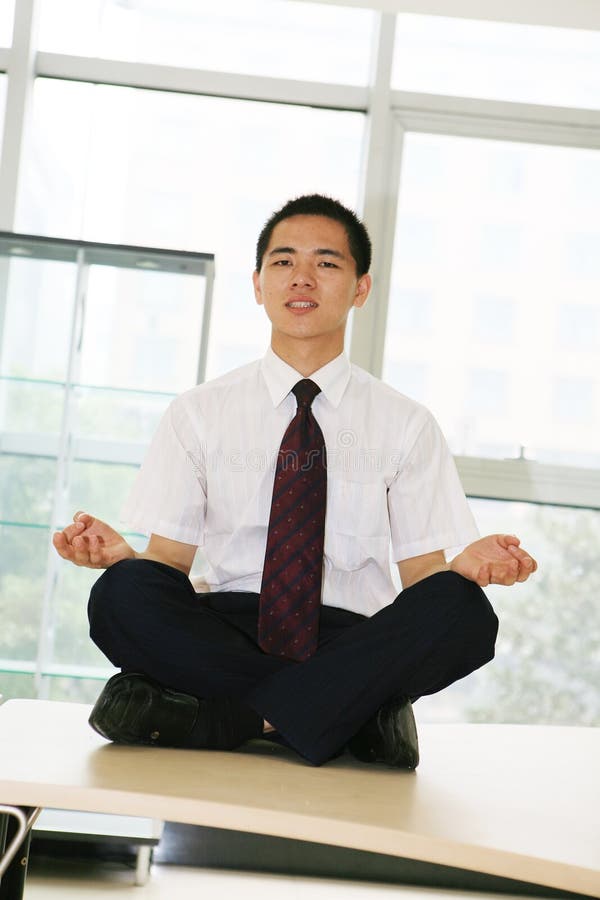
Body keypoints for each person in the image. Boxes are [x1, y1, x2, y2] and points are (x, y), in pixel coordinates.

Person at [53, 194, 537, 768]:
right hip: (224, 628)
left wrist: (464, 569)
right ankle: (345, 715)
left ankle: (228, 716)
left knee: (463, 611)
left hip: (352, 636)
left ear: (361, 287)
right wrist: (124, 558)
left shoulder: (407, 424)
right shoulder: (198, 412)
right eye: (283, 262)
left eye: (327, 263)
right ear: (258, 284)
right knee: (122, 594)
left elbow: (422, 579)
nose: (302, 277)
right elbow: (169, 564)